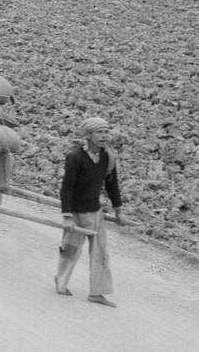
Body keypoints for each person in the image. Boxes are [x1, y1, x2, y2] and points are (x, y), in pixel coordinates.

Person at [55, 117, 125, 308]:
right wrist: (67, 217)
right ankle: (60, 283)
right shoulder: (75, 157)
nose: (104, 136)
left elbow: (112, 184)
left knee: (100, 253)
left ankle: (97, 293)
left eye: (106, 132)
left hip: (95, 212)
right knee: (70, 250)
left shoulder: (107, 156)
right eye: (99, 132)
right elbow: (67, 188)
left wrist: (119, 210)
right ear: (88, 135)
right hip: (76, 213)